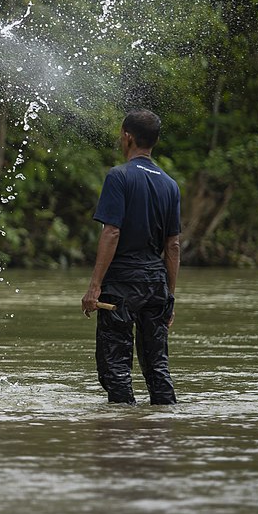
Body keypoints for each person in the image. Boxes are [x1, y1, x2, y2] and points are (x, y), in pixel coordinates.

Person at [81, 109, 182, 405]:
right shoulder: (171, 185)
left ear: (127, 138)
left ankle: (120, 436)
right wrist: (169, 298)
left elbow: (111, 232)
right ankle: (161, 433)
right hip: (156, 285)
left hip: (122, 284)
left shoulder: (118, 177)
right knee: (157, 367)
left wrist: (94, 287)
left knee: (115, 369)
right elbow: (173, 246)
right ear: (155, 141)